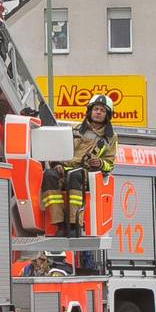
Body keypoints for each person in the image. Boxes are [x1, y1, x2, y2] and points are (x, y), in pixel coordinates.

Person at [41, 95, 118, 238]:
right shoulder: (74, 129)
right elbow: (58, 149)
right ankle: (59, 223)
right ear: (90, 111)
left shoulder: (110, 137)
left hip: (86, 173)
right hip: (64, 170)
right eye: (96, 109)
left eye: (102, 110)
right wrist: (56, 163)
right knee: (48, 175)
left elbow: (110, 165)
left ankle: (74, 224)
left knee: (75, 177)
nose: (98, 112)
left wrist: (100, 163)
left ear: (107, 115)